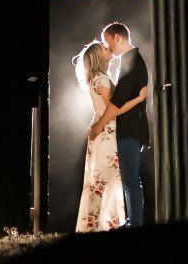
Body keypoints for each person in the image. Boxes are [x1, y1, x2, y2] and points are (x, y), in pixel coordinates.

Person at [95, 22, 150, 227]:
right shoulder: (131, 60)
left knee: (130, 179)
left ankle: (134, 223)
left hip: (130, 129)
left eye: (107, 41)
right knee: (129, 179)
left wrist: (100, 124)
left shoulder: (131, 61)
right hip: (132, 128)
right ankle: (132, 222)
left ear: (117, 37)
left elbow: (118, 101)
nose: (107, 47)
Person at [72, 39, 125, 232]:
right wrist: (137, 99)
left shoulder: (96, 79)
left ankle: (97, 224)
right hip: (107, 132)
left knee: (99, 179)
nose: (107, 48)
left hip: (101, 132)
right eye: (104, 48)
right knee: (109, 178)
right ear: (98, 56)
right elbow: (113, 108)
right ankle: (107, 224)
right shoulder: (102, 79)